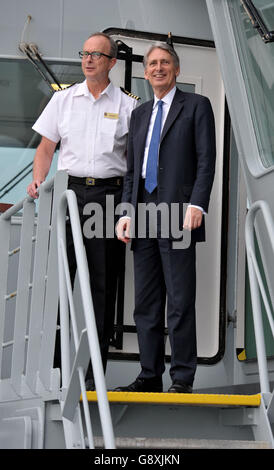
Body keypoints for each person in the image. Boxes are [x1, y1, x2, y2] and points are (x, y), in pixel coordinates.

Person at [27, 32, 139, 390]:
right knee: (62, 283)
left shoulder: (128, 105)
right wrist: (39, 182)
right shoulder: (64, 100)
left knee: (102, 287)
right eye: (85, 54)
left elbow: (134, 163)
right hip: (68, 194)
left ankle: (91, 375)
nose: (88, 59)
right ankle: (59, 373)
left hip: (108, 197)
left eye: (96, 54)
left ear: (112, 62)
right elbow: (46, 148)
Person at [115, 43, 216, 393]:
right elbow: (132, 171)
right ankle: (148, 375)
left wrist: (197, 205)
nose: (158, 68)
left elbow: (206, 161)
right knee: (145, 302)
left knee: (180, 298)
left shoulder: (197, 106)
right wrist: (126, 212)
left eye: (165, 63)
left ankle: (183, 377)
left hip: (179, 213)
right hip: (142, 213)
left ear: (176, 70)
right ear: (145, 72)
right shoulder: (139, 114)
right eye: (153, 63)